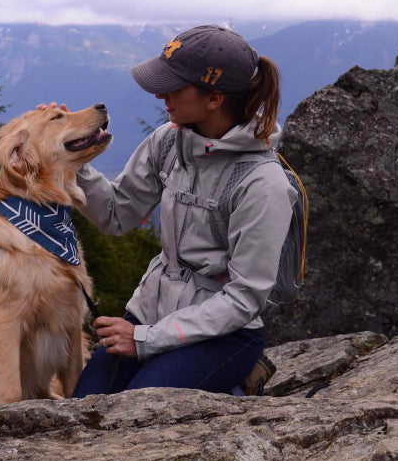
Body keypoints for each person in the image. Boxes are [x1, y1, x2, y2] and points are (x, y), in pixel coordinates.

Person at [45, 25, 297, 397]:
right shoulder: (168, 141)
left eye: (174, 86)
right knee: (87, 406)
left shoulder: (263, 184)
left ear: (213, 99)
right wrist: (72, 155)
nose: (161, 94)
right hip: (151, 314)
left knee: (138, 410)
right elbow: (117, 215)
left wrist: (145, 339)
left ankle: (234, 379)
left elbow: (244, 299)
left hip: (225, 335)